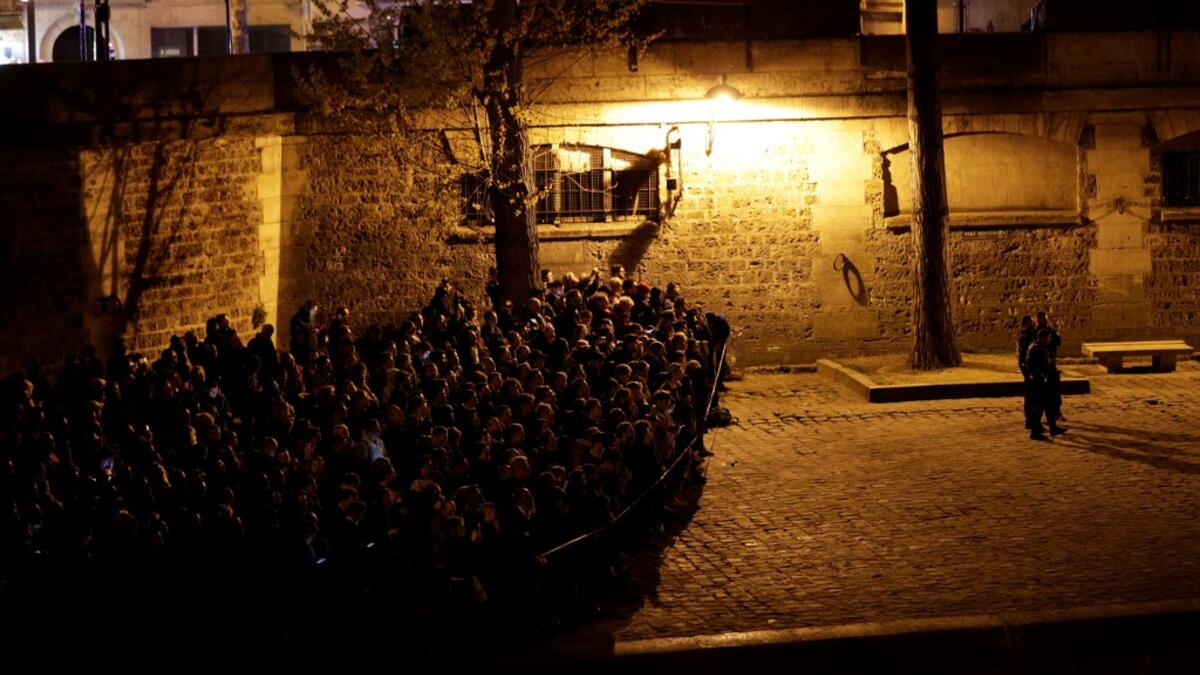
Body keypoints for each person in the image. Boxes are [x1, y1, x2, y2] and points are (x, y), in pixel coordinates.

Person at [1026, 328, 1067, 440]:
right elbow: (1044, 367)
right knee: (1039, 406)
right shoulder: (1040, 350)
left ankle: (1052, 427)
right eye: (1047, 338)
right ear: (1042, 338)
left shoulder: (1033, 347)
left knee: (1047, 405)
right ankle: (1035, 432)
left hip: (1036, 379)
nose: (1049, 340)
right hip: (1040, 381)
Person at [1035, 311, 1064, 422]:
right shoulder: (1035, 332)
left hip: (1050, 362)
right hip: (1042, 365)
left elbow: (1058, 341)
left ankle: (1055, 412)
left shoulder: (1050, 330)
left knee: (1055, 389)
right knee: (1043, 392)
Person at [1016, 316, 1037, 430]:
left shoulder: (1031, 335)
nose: (1033, 324)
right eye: (1030, 322)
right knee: (1030, 395)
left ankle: (1032, 420)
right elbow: (1025, 355)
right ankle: (1030, 420)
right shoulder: (1025, 337)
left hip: (1031, 367)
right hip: (1028, 367)